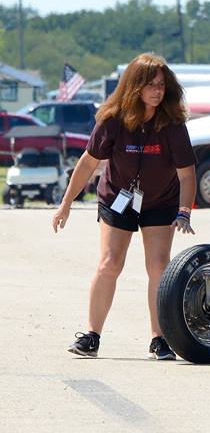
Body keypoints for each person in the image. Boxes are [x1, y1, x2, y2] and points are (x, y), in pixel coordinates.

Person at [52, 53, 197, 360]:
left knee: (159, 266)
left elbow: (187, 174)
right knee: (109, 264)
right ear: (135, 86)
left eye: (161, 85)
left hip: (160, 201)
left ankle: (160, 338)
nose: (157, 91)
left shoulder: (172, 123)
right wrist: (66, 203)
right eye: (150, 85)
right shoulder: (113, 119)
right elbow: (89, 162)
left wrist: (184, 211)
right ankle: (91, 335)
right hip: (118, 198)